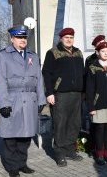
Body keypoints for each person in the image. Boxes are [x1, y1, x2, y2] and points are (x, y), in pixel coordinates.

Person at [0, 25, 46, 177]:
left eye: (24, 37)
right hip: (12, 99)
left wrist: (41, 98)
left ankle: (22, 163)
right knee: (11, 137)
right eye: (19, 37)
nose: (23, 40)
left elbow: (39, 79)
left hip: (30, 100)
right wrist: (3, 103)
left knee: (26, 136)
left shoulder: (33, 56)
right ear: (12, 39)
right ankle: (12, 168)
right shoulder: (2, 56)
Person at [42, 27, 85, 167]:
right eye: (66, 37)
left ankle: (70, 150)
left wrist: (83, 91)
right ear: (61, 38)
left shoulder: (78, 53)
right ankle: (59, 152)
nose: (69, 39)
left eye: (71, 37)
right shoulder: (53, 53)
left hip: (76, 94)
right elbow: (46, 74)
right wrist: (49, 93)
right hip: (60, 94)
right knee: (60, 123)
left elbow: (82, 74)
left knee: (74, 123)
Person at [86, 41, 107, 165]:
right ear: (97, 52)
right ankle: (99, 154)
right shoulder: (93, 67)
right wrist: (91, 106)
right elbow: (89, 89)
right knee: (100, 129)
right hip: (98, 104)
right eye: (102, 51)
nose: (105, 53)